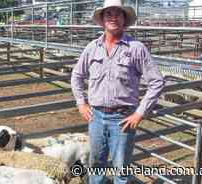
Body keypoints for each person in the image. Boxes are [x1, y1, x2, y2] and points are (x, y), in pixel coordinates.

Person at [70, 0, 165, 183]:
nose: (113, 17)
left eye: (117, 14)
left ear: (124, 19)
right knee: (96, 164)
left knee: (121, 169)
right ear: (103, 19)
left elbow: (157, 81)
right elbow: (76, 75)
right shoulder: (92, 48)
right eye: (108, 14)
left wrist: (139, 113)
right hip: (96, 117)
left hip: (122, 119)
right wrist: (81, 103)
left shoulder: (136, 48)